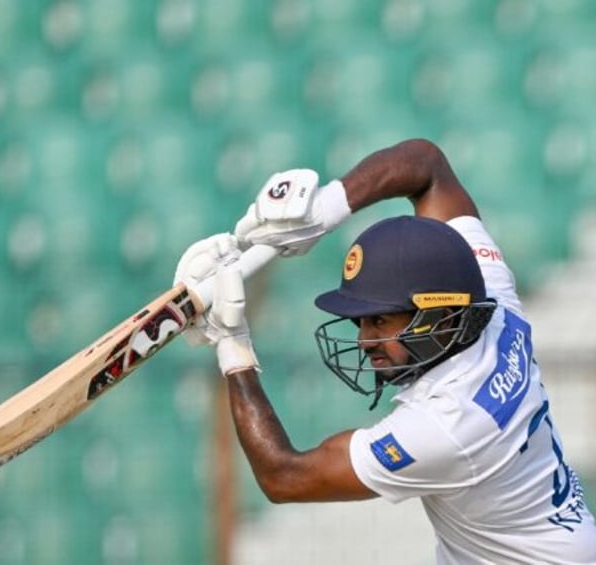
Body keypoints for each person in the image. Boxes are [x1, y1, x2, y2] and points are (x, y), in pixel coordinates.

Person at [174, 138, 596, 563]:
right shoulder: (493, 304)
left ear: (436, 316)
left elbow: (284, 477)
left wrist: (231, 343)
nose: (363, 341)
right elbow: (427, 165)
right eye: (362, 322)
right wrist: (324, 211)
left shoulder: (448, 427)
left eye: (379, 321)